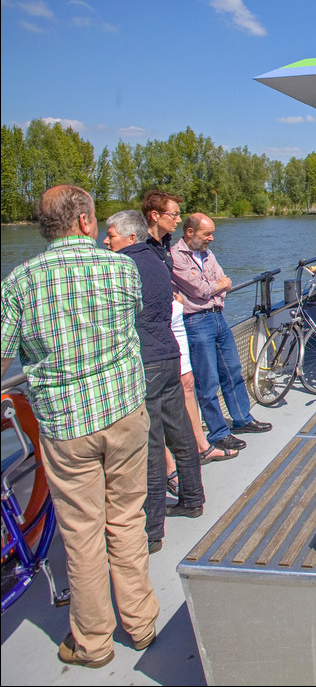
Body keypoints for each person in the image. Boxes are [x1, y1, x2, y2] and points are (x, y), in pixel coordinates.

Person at [0, 185, 159, 667]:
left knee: (82, 533)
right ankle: (142, 622)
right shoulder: (120, 268)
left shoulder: (20, 282)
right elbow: (129, 320)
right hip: (123, 412)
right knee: (127, 518)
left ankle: (93, 642)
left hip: (67, 426)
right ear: (87, 222)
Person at [104, 211, 205, 546]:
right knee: (181, 432)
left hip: (145, 362)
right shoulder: (159, 263)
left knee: (150, 444)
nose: (106, 241)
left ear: (131, 238)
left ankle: (152, 530)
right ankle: (193, 499)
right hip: (169, 356)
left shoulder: (123, 267)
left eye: (111, 235)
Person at [140, 192, 234, 466]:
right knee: (167, 393)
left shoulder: (165, 245)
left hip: (178, 319)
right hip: (161, 326)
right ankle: (170, 463)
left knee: (189, 383)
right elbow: (202, 288)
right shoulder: (146, 247)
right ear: (155, 216)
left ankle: (200, 446)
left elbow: (215, 282)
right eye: (174, 214)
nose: (178, 220)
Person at [170, 213, 271, 453]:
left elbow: (223, 282)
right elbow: (201, 288)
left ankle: (242, 418)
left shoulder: (208, 254)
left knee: (232, 370)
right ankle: (219, 433)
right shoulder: (176, 257)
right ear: (190, 232)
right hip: (195, 322)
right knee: (208, 381)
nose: (212, 238)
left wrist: (215, 289)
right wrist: (215, 288)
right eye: (207, 234)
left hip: (217, 317)